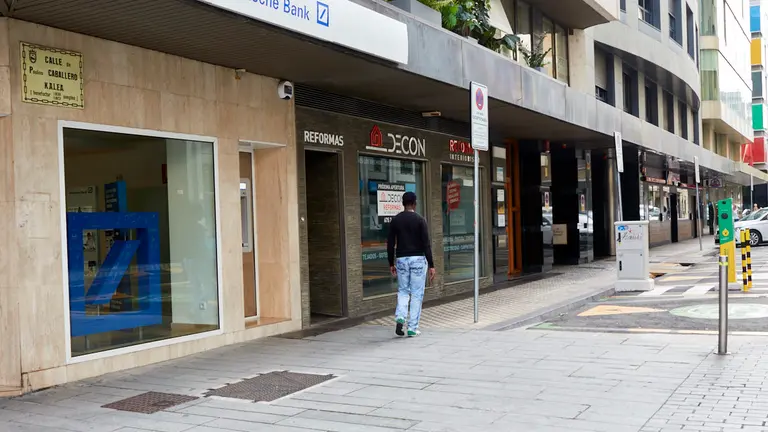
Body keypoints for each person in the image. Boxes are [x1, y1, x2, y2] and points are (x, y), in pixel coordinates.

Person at [387, 191, 435, 337]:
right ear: (415, 203)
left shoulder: (395, 220)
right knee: (416, 293)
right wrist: (431, 265)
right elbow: (426, 244)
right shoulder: (420, 220)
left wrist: (391, 262)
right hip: (418, 259)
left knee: (403, 290)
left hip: (401, 259)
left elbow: (390, 244)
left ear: (403, 203)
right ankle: (412, 328)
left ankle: (400, 316)